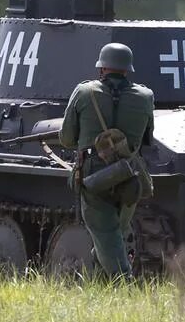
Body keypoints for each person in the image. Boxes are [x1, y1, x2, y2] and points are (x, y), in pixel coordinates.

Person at [59, 43, 154, 278]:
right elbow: (147, 140)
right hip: (129, 173)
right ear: (127, 70)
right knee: (115, 234)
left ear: (102, 68)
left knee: (105, 234)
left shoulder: (84, 92)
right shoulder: (145, 96)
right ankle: (103, 289)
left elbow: (67, 139)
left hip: (94, 172)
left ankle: (125, 286)